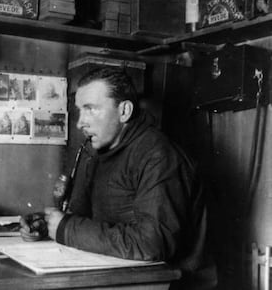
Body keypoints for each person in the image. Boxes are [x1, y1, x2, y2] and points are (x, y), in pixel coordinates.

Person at [20, 67, 217, 290]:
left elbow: (152, 243)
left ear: (124, 111)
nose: (80, 123)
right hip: (120, 278)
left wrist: (66, 228)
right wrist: (45, 224)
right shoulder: (97, 152)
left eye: (91, 109)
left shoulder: (158, 155)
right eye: (79, 111)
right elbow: (81, 219)